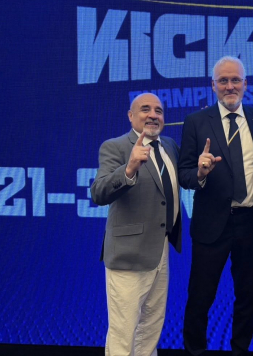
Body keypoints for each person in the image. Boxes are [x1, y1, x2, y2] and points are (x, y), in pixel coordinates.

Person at [178, 56, 253, 356]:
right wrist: (200, 173)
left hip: (250, 223)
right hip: (211, 225)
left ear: (246, 84)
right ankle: (195, 351)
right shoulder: (196, 122)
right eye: (223, 81)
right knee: (200, 297)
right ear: (213, 85)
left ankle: (240, 351)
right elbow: (183, 174)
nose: (230, 86)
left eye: (235, 80)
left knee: (246, 296)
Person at [91, 93, 182, 356]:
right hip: (128, 255)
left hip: (160, 252)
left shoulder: (169, 146)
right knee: (123, 332)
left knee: (151, 328)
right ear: (131, 116)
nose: (153, 115)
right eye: (145, 109)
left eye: (158, 110)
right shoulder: (115, 147)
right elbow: (98, 192)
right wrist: (129, 168)